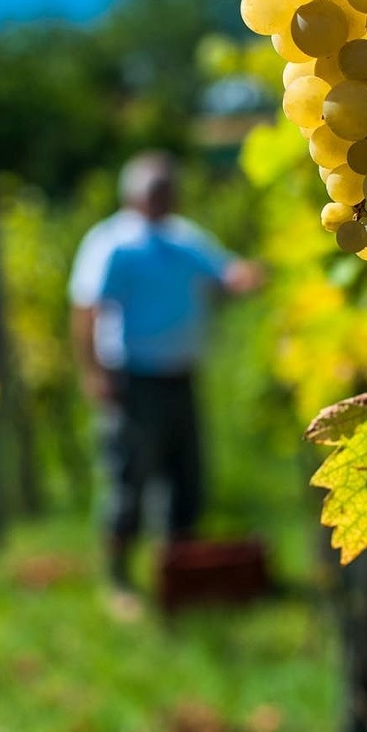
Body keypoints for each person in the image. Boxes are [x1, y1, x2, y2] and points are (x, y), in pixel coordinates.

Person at [68, 150, 260, 612]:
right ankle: (118, 581)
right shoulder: (110, 242)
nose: (162, 198)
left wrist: (253, 275)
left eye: (167, 190)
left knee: (185, 479)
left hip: (180, 377)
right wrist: (93, 373)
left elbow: (226, 274)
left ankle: (177, 578)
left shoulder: (184, 238)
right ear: (132, 194)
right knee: (128, 479)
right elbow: (86, 311)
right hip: (133, 381)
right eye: (154, 191)